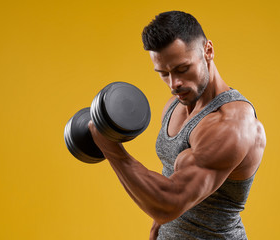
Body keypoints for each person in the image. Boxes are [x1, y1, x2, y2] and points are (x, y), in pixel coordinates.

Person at [88, 11, 266, 240]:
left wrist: (112, 149)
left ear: (208, 50)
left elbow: (168, 204)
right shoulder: (176, 104)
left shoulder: (231, 123)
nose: (174, 84)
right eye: (164, 73)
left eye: (182, 69)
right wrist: (159, 224)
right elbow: (174, 177)